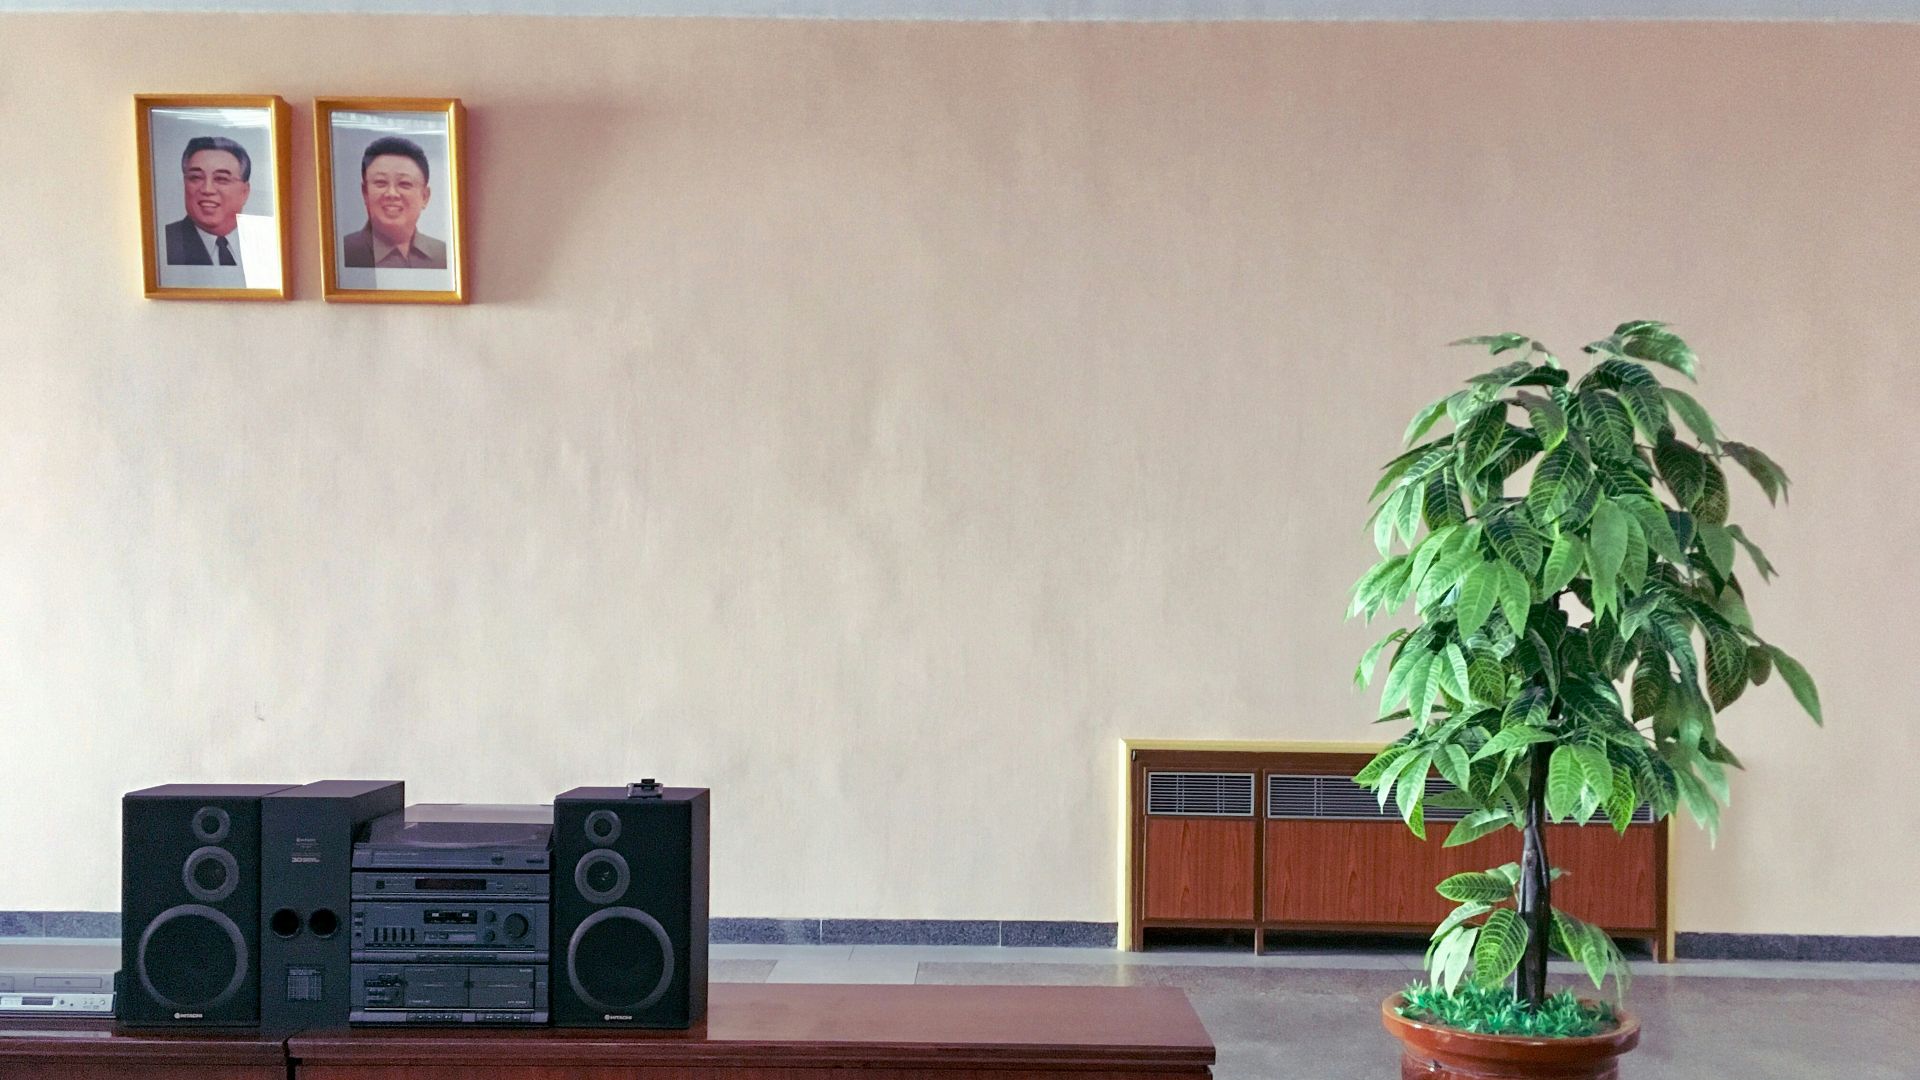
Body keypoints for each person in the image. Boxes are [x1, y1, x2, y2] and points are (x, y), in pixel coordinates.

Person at [341, 136, 447, 269]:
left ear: (425, 197)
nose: (392, 194)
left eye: (404, 183)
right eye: (381, 182)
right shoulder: (342, 253)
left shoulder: (445, 256)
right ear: (365, 192)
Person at [164, 136, 252, 267]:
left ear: (245, 192)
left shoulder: (265, 243)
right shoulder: (165, 242)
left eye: (221, 179)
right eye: (196, 177)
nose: (207, 189)